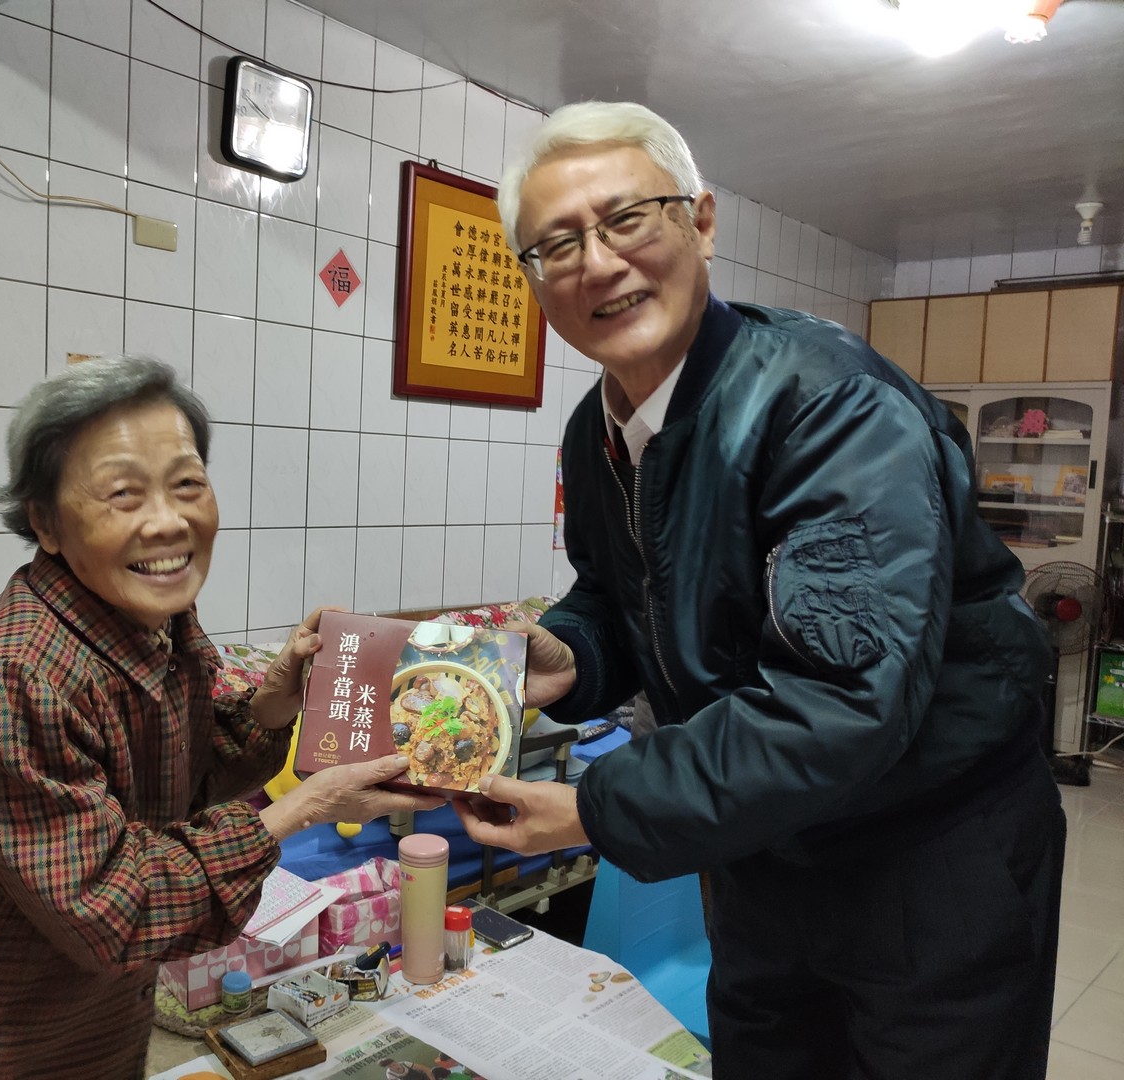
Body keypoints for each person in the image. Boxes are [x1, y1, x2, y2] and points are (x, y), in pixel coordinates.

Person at [455, 101, 1065, 1079]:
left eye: (625, 219)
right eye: (554, 245)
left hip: (928, 850)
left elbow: (845, 700)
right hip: (762, 847)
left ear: (700, 222)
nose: (596, 263)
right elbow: (623, 597)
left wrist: (597, 810)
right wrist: (572, 652)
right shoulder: (596, 427)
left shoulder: (827, 403)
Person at [0, 356, 440, 1078]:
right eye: (123, 493)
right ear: (45, 523)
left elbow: (185, 765)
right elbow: (111, 908)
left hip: (91, 1008)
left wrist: (276, 696)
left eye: (187, 484)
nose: (168, 521)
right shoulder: (11, 680)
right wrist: (304, 807)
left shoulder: (153, 616)